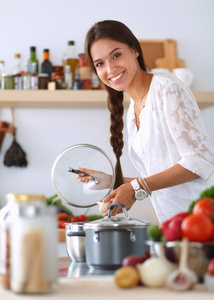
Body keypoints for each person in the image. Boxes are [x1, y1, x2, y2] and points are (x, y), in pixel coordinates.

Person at [77, 19, 214, 224]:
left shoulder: (166, 89)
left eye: (116, 55)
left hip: (204, 219)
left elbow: (198, 162)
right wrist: (112, 181)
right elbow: (159, 179)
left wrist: (137, 188)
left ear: (134, 50)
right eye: (100, 63)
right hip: (175, 225)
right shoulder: (134, 109)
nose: (110, 68)